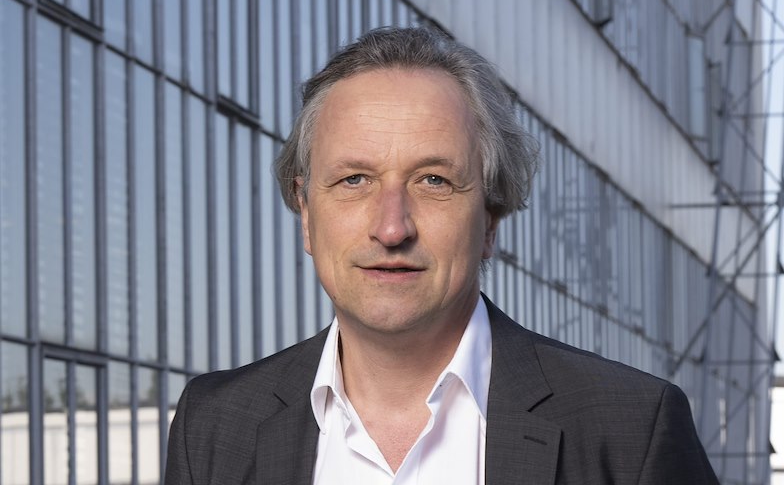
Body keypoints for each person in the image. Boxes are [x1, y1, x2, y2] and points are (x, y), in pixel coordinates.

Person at [164, 27, 719, 484]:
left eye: (433, 180)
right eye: (354, 180)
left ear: (490, 219)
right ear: (307, 213)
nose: (391, 228)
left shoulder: (630, 432)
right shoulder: (213, 427)